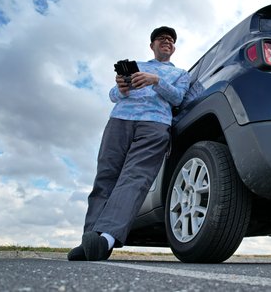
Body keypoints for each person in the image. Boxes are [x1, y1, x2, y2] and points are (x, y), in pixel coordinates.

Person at [67, 26, 190, 261]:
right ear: (152, 45)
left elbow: (178, 98)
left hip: (154, 124)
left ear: (174, 48)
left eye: (171, 40)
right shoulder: (137, 66)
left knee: (135, 178)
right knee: (105, 177)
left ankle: (106, 239)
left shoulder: (181, 74)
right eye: (161, 38)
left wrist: (156, 81)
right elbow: (113, 95)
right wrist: (122, 88)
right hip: (120, 121)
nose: (167, 41)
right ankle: (90, 240)